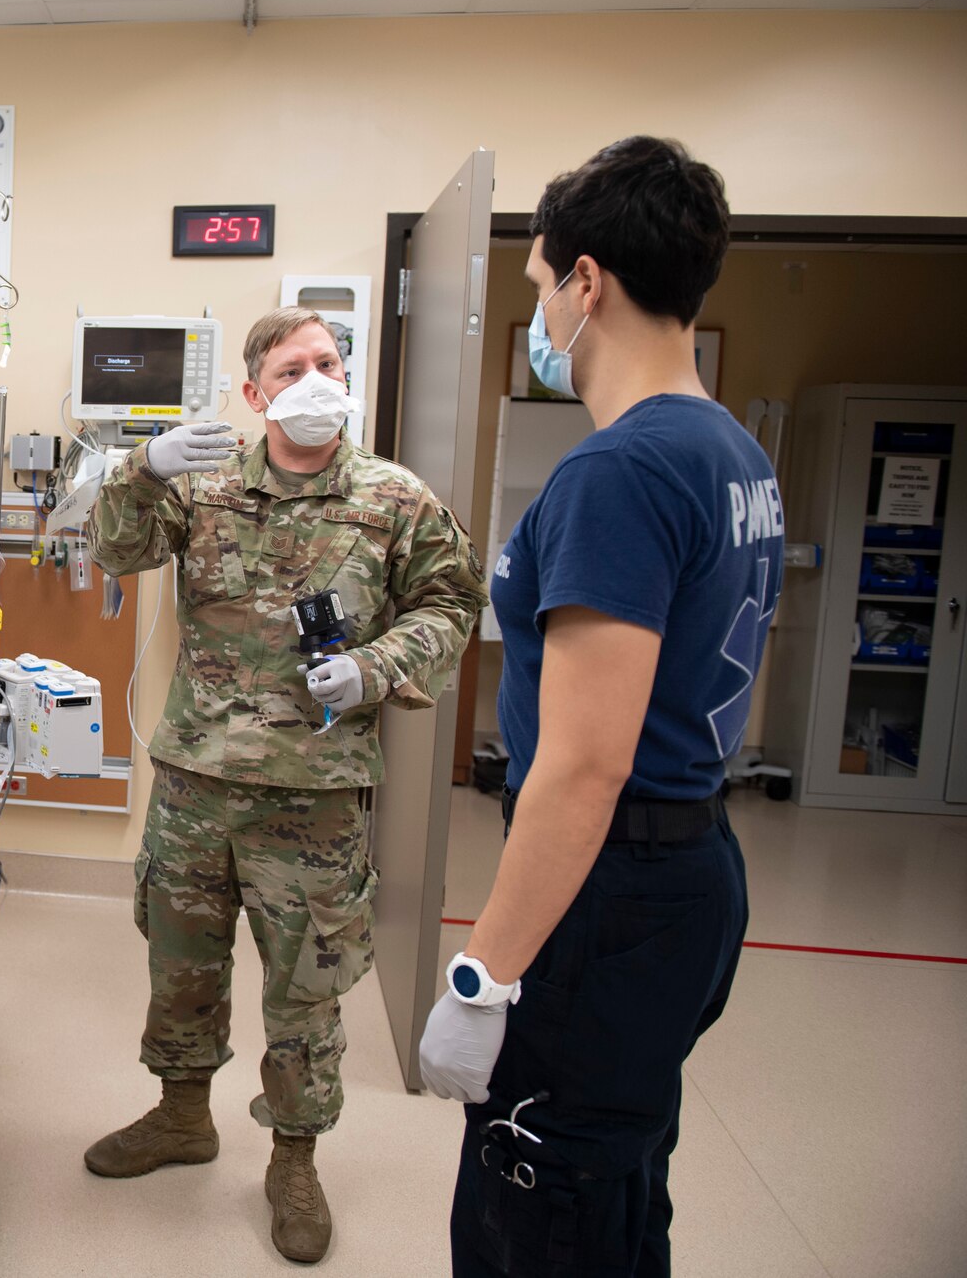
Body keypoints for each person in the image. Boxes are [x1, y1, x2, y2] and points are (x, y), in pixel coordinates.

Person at [418, 136, 771, 1277]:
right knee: (616, 1178)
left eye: (533, 288)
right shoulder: (727, 452)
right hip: (687, 868)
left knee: (539, 1197)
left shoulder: (619, 471)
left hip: (607, 892)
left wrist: (483, 977)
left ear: (586, 283)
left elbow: (580, 768)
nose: (534, 317)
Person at [84, 306, 487, 1263]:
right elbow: (116, 550)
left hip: (316, 794)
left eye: (331, 361)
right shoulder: (205, 484)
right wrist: (141, 467)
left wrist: (378, 666)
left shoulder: (395, 499)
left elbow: (454, 601)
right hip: (196, 781)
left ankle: (295, 1159)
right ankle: (184, 1116)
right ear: (256, 393)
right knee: (180, 968)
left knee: (306, 993)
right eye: (294, 367)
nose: (318, 379)